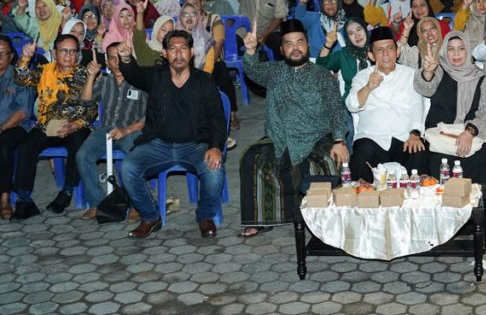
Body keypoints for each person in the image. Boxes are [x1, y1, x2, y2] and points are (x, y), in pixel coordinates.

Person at [239, 19, 348, 236]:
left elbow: (336, 110)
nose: (295, 47)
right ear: (282, 49)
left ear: (307, 46)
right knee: (250, 159)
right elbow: (252, 70)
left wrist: (339, 140)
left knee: (327, 162)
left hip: (316, 137)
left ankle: (324, 218)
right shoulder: (274, 72)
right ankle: (261, 218)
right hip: (279, 138)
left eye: (300, 42)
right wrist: (251, 51)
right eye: (289, 43)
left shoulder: (322, 76)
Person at [117, 30, 226, 238]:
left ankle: (205, 216)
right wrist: (125, 57)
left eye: (183, 48)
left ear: (191, 52)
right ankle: (150, 217)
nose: (178, 54)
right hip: (159, 145)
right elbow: (133, 74)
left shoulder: (204, 81)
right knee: (129, 167)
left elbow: (217, 118)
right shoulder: (156, 77)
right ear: (164, 54)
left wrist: (215, 146)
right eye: (172, 49)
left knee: (214, 171)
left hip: (195, 146)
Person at [414, 31, 486, 230]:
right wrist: (428, 71)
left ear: (468, 50)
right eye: (450, 49)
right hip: (441, 138)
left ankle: (479, 221)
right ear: (444, 52)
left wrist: (469, 132)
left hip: (472, 135)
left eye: (461, 49)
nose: (456, 54)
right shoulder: (439, 71)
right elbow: (425, 88)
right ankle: (442, 222)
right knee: (435, 161)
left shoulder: (482, 78)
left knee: (482, 159)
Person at [12, 35, 98, 219]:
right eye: (64, 51)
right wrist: (25, 58)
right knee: (26, 146)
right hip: (47, 126)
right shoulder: (44, 71)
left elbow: (91, 111)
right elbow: (21, 79)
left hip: (75, 126)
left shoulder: (84, 74)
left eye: (73, 51)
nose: (69, 56)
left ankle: (67, 191)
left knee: (79, 142)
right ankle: (24, 198)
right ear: (54, 53)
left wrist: (74, 125)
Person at [347, 27, 428, 181]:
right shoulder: (362, 76)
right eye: (380, 49)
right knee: (360, 156)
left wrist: (415, 133)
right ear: (371, 55)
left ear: (397, 52)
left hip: (403, 137)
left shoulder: (410, 74)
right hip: (371, 138)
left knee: (419, 152)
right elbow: (351, 105)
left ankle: (419, 200)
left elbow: (417, 106)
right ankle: (363, 201)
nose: (385, 54)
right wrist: (368, 87)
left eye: (390, 48)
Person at [76, 42, 147, 218]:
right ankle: (97, 202)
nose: (116, 63)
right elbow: (85, 102)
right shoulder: (105, 82)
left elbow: (149, 118)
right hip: (106, 130)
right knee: (82, 155)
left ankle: (138, 203)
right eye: (112, 58)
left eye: (120, 58)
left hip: (132, 129)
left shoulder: (140, 81)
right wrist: (91, 76)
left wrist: (126, 130)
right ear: (107, 62)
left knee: (135, 156)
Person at [0, 35, 35, 220]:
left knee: (4, 144)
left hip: (15, 127)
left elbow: (23, 112)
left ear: (11, 56)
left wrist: (2, 127)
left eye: (3, 53)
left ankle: (4, 198)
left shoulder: (19, 76)